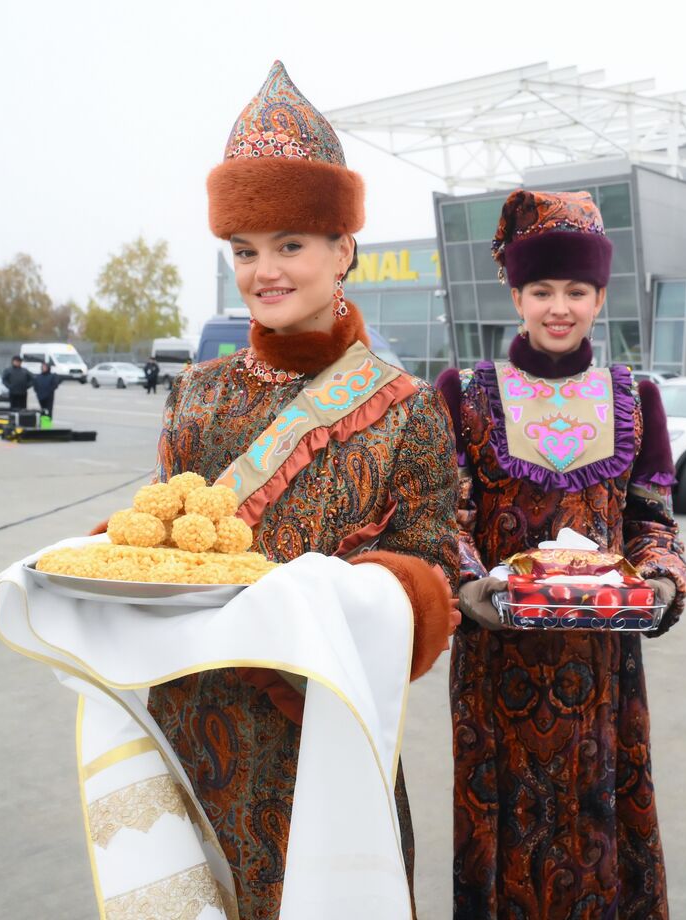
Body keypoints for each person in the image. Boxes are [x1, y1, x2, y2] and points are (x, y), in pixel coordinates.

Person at [142, 61, 460, 918]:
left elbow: (431, 576)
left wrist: (336, 600)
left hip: (325, 735)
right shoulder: (198, 396)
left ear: (344, 248)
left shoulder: (407, 414)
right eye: (246, 251)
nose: (264, 272)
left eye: (291, 245)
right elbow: (160, 535)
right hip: (196, 718)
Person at [436, 189, 686, 920]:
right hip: (495, 667)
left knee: (596, 834)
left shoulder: (635, 398)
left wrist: (662, 580)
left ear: (600, 298)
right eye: (541, 289)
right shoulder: (467, 393)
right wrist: (469, 582)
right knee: (500, 833)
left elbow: (652, 521)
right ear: (515, 295)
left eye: (576, 291)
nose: (559, 307)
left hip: (600, 663)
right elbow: (443, 518)